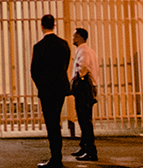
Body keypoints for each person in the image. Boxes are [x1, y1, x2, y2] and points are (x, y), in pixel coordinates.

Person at [31, 14, 71, 168]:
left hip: (47, 90)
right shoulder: (63, 44)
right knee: (57, 119)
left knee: (51, 123)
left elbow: (34, 71)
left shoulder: (39, 46)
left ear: (42, 26)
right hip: (60, 88)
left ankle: (55, 157)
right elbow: (65, 65)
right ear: (54, 25)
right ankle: (57, 157)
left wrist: (41, 85)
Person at [70, 27, 99, 161]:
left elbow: (83, 68)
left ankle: (90, 151)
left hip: (84, 89)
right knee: (85, 119)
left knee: (84, 120)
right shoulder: (89, 50)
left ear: (81, 37)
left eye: (75, 36)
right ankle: (84, 146)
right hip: (89, 88)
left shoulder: (84, 51)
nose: (73, 38)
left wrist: (75, 80)